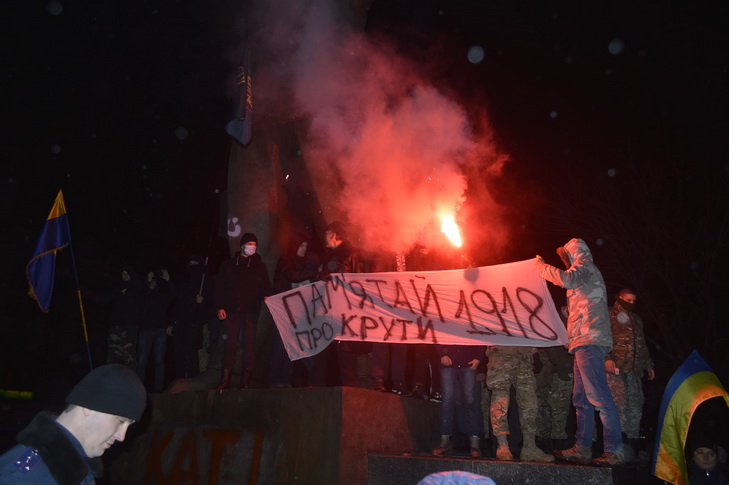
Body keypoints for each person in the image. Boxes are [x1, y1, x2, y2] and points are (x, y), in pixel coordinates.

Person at [535, 238, 624, 466]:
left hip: (591, 341)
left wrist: (541, 267)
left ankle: (614, 450)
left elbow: (566, 279)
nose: (566, 260)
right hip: (582, 342)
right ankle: (582, 448)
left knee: (599, 397)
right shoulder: (582, 274)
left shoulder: (585, 267)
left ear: (576, 253)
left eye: (567, 255)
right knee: (582, 399)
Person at [0, 364, 146, 484]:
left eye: (129, 425)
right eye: (120, 421)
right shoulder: (21, 478)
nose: (122, 437)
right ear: (89, 406)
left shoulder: (78, 468)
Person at [212, 233, 272, 389]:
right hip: (231, 311)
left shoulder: (260, 266)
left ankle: (245, 382)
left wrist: (267, 295)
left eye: (255, 244)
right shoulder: (228, 265)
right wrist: (220, 307)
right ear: (242, 246)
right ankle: (224, 381)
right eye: (250, 243)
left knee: (249, 345)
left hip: (250, 312)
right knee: (230, 344)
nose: (253, 246)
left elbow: (265, 286)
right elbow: (220, 287)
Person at [605, 287, 655, 461]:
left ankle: (631, 450)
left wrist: (648, 364)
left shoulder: (636, 319)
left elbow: (641, 343)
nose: (631, 303)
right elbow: (602, 337)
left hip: (634, 370)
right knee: (619, 407)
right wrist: (607, 358)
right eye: (628, 300)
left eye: (634, 300)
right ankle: (616, 449)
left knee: (636, 407)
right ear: (619, 298)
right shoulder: (609, 314)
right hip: (616, 368)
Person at [318, 221, 369, 387]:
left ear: (333, 235)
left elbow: (357, 280)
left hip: (345, 309)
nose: (324, 238)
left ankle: (349, 387)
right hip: (332, 308)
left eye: (326, 234)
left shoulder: (350, 253)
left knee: (345, 348)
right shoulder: (331, 256)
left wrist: (331, 276)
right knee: (331, 347)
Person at [486, 346, 554, 462]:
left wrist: (534, 351)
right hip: (501, 354)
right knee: (500, 402)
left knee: (530, 403)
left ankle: (530, 447)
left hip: (524, 356)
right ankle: (502, 444)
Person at [269, 233, 320, 387]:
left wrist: (320, 276)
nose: (304, 248)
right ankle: (274, 381)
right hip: (282, 310)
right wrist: (314, 273)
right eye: (301, 245)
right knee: (279, 347)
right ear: (294, 245)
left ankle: (287, 381)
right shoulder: (285, 260)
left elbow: (308, 282)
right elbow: (292, 276)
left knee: (295, 346)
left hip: (296, 312)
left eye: (306, 246)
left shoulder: (304, 264)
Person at [82, 266, 144, 368]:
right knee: (112, 357)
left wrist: (131, 270)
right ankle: (112, 380)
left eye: (127, 273)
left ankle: (129, 381)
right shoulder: (117, 290)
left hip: (129, 327)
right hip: (115, 327)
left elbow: (140, 283)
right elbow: (102, 299)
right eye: (123, 273)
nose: (125, 276)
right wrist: (84, 291)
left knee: (128, 356)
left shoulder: (137, 288)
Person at [431, 344, 485, 459]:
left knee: (470, 401)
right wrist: (442, 354)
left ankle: (474, 443)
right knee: (447, 401)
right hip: (448, 362)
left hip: (469, 361)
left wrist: (478, 358)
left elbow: (480, 333)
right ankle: (445, 441)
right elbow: (438, 333)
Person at [168, 255, 210, 380]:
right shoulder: (185, 284)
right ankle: (180, 380)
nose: (192, 265)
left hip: (195, 323)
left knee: (192, 353)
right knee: (179, 353)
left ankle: (192, 381)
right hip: (181, 323)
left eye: (195, 262)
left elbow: (212, 302)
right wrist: (172, 323)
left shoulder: (205, 281)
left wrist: (203, 300)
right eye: (190, 263)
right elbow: (179, 305)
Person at [136, 269, 176, 393]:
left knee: (159, 361)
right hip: (145, 331)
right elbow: (137, 293)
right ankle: (138, 389)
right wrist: (146, 281)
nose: (152, 282)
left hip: (160, 331)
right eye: (150, 279)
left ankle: (158, 390)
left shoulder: (162, 295)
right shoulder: (143, 294)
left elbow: (174, 294)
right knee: (142, 361)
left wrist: (168, 279)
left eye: (154, 280)